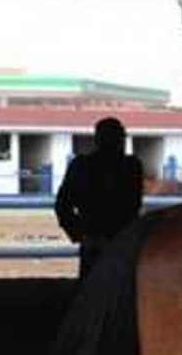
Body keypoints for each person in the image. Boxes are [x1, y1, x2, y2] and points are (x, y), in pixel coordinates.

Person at [55, 117, 143, 278]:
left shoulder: (81, 166)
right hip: (122, 242)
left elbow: (62, 205)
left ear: (97, 140)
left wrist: (81, 234)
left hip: (96, 241)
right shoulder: (132, 167)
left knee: (93, 286)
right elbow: (134, 206)